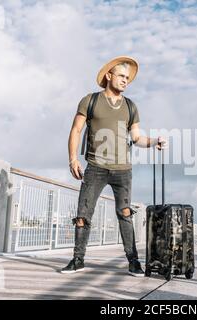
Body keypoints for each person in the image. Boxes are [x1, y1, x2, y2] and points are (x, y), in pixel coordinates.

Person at [61, 56, 167, 276]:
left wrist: (155, 140)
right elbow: (76, 130)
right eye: (121, 76)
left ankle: (133, 262)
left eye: (127, 78)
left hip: (123, 170)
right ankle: (78, 259)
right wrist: (73, 159)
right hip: (95, 167)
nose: (125, 81)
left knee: (125, 213)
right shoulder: (89, 101)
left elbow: (137, 137)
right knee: (83, 214)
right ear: (109, 75)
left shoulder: (130, 106)